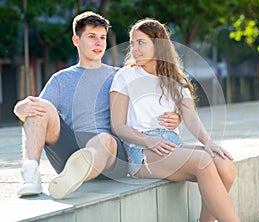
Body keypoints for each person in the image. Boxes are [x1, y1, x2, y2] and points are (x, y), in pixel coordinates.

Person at [13, 11, 180, 200]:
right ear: (76, 40)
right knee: (39, 105)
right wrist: (20, 108)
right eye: (92, 37)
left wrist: (176, 117)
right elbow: (37, 116)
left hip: (112, 156)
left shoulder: (121, 76)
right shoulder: (61, 79)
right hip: (70, 156)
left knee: (104, 139)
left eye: (102, 38)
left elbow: (151, 103)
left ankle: (78, 175)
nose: (99, 43)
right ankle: (30, 173)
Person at [110, 18, 240, 222]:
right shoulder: (124, 76)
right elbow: (117, 125)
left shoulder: (176, 79)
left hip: (172, 146)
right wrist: (148, 141)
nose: (134, 48)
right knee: (203, 161)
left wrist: (208, 142)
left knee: (225, 165)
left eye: (141, 43)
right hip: (141, 151)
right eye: (132, 43)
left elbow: (190, 116)